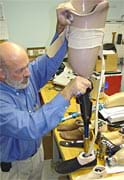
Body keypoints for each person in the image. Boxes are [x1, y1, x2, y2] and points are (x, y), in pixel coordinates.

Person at [0, 8, 91, 180]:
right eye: (21, 70)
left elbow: (48, 61)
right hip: (14, 168)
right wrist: (67, 91)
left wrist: (61, 31)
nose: (28, 73)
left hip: (36, 155)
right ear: (1, 74)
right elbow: (31, 127)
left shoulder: (25, 75)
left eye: (27, 64)